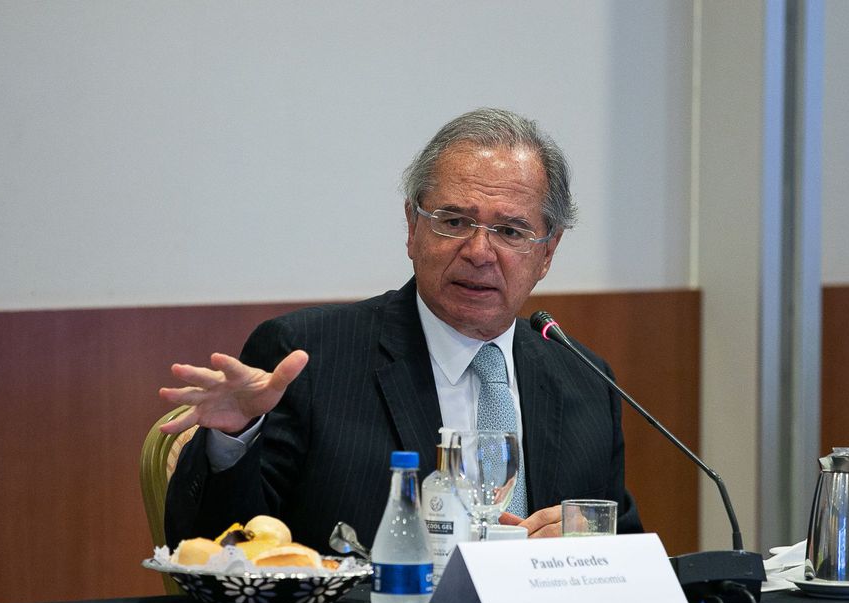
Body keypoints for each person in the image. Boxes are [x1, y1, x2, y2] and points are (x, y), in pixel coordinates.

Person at [161, 108, 642, 551]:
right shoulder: (308, 358)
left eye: (510, 232)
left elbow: (631, 558)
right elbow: (217, 548)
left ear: (547, 252)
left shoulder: (585, 381)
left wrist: (591, 543)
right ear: (413, 227)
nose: (479, 252)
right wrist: (235, 440)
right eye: (455, 221)